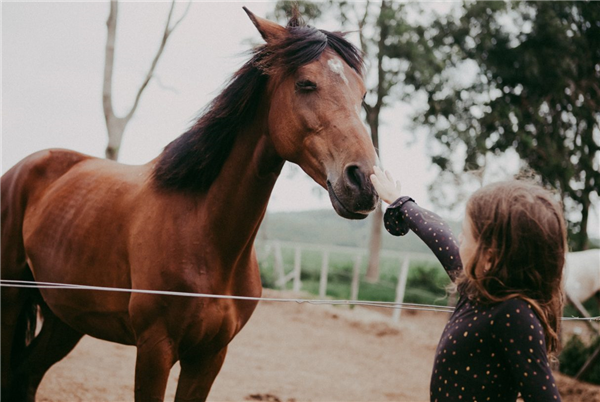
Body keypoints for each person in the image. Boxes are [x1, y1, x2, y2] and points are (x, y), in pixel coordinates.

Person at [370, 166, 565, 402]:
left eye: (465, 234)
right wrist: (399, 201)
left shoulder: (515, 315)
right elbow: (438, 234)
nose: (458, 238)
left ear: (490, 257)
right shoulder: (476, 287)